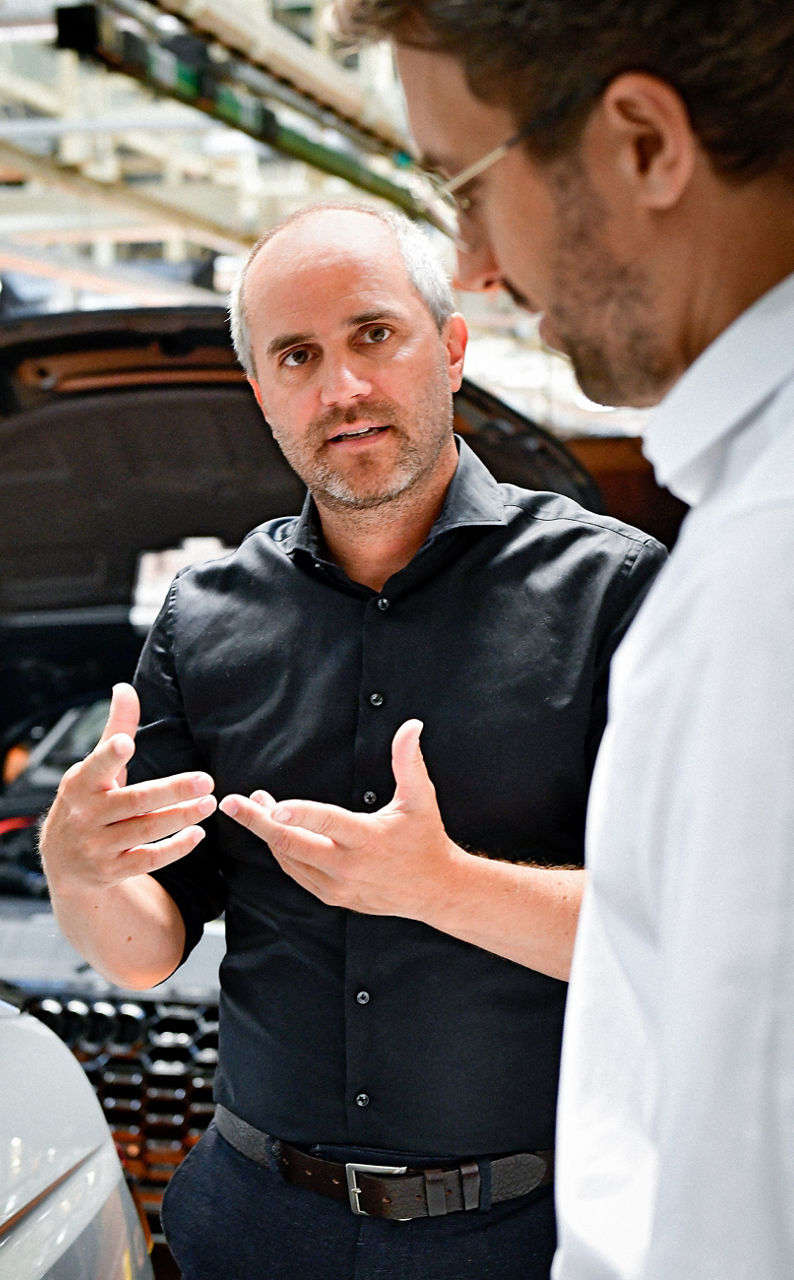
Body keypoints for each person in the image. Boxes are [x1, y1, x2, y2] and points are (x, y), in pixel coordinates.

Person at [39, 202, 664, 1279]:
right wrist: (75, 867)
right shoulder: (204, 619)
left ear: (451, 347)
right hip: (255, 1222)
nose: (343, 388)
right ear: (263, 393)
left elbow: (685, 935)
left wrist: (439, 882)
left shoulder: (611, 592)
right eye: (298, 355)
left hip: (526, 1230)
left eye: (374, 335)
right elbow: (147, 947)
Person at [325, 2, 794, 1277]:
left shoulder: (763, 573)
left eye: (468, 189)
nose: (472, 260)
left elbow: (745, 1182)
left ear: (644, 142)